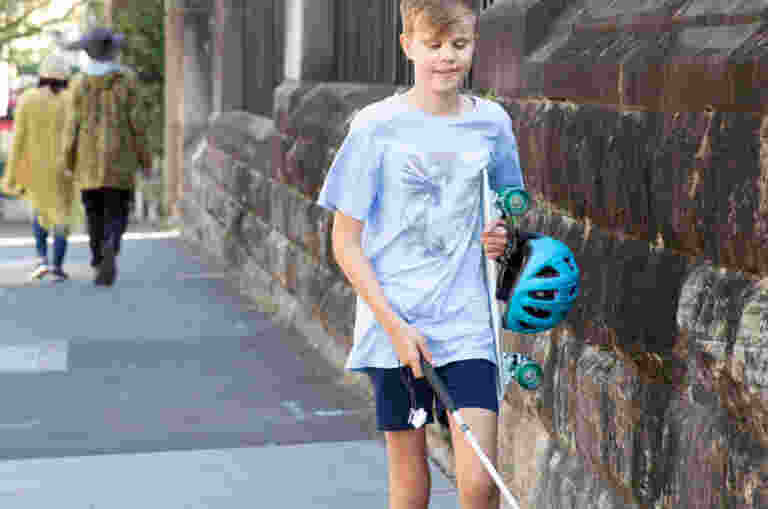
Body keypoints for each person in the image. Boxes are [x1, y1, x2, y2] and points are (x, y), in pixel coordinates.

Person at [315, 2, 524, 508]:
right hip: (395, 325)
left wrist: (501, 237)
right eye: (433, 45)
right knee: (410, 489)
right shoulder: (375, 127)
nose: (446, 57)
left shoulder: (492, 124)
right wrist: (394, 326)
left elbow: (507, 211)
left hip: (467, 324)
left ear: (475, 44)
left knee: (478, 484)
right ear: (408, 46)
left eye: (459, 45)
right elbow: (344, 242)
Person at [60, 27, 151, 286]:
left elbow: (71, 126)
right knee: (118, 209)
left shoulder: (79, 84)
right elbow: (139, 124)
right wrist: (145, 160)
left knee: (93, 213)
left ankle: (99, 256)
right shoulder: (127, 81)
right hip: (120, 160)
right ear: (113, 51)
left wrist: (67, 159)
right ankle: (113, 244)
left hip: (88, 162)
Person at [1, 53, 78, 282]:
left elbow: (18, 140)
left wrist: (12, 173)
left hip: (36, 168)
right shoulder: (71, 100)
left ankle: (41, 259)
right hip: (64, 169)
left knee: (40, 212)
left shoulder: (27, 100)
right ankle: (58, 265)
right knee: (63, 215)